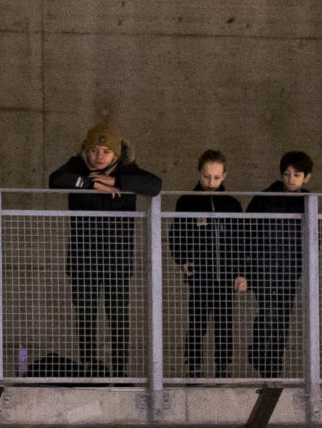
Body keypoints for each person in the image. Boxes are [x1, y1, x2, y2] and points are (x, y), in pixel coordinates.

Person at [47, 122, 161, 378]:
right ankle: (89, 370)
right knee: (86, 318)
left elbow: (154, 185)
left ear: (116, 153)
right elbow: (55, 180)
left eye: (106, 152)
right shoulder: (77, 166)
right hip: (82, 260)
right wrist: (92, 185)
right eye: (94, 151)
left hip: (116, 261)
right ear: (86, 151)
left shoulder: (127, 170)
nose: (99, 156)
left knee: (118, 319)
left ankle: (120, 373)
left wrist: (116, 180)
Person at [169, 151, 248, 379]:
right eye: (206, 177)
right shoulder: (186, 201)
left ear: (225, 176)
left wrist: (241, 273)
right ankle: (194, 367)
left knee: (224, 323)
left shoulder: (232, 204)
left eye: (216, 177)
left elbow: (242, 241)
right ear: (199, 173)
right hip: (200, 274)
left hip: (226, 274)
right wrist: (183, 259)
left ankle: (223, 368)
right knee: (197, 322)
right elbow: (176, 234)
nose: (211, 182)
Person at [244, 152, 313, 380]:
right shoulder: (265, 199)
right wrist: (247, 269)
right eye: (287, 174)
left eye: (297, 175)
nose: (291, 179)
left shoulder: (308, 202)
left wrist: (301, 268)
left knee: (282, 318)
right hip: (263, 270)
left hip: (289, 272)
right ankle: (259, 356)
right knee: (268, 314)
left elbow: (313, 239)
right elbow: (244, 233)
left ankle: (273, 369)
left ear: (306, 178)